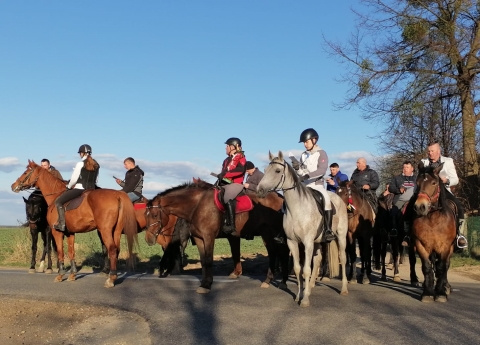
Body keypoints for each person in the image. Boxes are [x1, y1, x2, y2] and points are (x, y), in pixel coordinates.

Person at [403, 141, 467, 248]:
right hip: (426, 190)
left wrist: (446, 180)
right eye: (428, 151)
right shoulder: (423, 162)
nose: (430, 153)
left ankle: (459, 235)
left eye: (432, 151)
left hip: (443, 190)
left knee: (459, 206)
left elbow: (455, 179)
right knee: (409, 206)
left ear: (438, 151)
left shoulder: (448, 161)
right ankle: (408, 235)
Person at [288, 128, 335, 243]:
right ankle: (284, 230)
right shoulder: (303, 155)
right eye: (304, 142)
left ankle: (328, 230)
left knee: (326, 199)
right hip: (304, 185)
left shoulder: (321, 153)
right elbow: (302, 172)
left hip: (317, 185)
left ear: (314, 140)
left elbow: (322, 171)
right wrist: (297, 168)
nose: (305, 144)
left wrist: (307, 176)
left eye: (306, 141)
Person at [53, 144, 100, 232]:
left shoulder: (80, 164)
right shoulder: (96, 164)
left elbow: (74, 179)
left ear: (82, 153)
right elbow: (96, 179)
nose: (80, 155)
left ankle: (61, 224)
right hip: (92, 188)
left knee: (58, 201)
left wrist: (69, 186)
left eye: (80, 153)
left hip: (80, 188)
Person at [217, 137, 247, 235]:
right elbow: (224, 172)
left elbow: (240, 170)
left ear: (233, 146)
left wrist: (225, 175)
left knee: (227, 196)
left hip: (236, 184)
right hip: (224, 183)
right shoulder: (226, 160)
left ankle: (232, 225)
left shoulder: (241, 157)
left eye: (227, 146)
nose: (226, 148)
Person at [388, 161, 416, 237]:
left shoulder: (417, 178)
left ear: (412, 169)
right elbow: (391, 188)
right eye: (404, 167)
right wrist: (398, 190)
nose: (405, 169)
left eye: (407, 167)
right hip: (400, 200)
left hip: (414, 200)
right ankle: (394, 229)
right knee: (394, 211)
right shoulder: (397, 178)